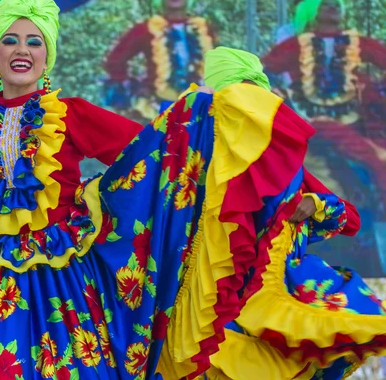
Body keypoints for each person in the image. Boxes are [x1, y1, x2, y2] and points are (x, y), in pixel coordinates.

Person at [0, 0, 383, 380]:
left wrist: (210, 121)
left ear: (48, 55)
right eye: (12, 40)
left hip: (63, 283)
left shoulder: (73, 113)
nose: (23, 50)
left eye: (35, 41)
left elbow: (154, 153)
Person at [164, 46, 385, 379]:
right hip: (214, 308)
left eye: (253, 100)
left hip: (274, 298)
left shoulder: (285, 168)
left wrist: (316, 203)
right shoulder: (193, 162)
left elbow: (350, 219)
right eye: (234, 101)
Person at [263, 0, 386, 274]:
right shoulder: (298, 44)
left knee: (378, 163)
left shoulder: (356, 42)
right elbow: (265, 66)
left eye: (336, 2)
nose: (332, 7)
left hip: (349, 124)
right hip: (310, 121)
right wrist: (276, 91)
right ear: (312, 10)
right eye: (324, 3)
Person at [103, 0, 216, 122]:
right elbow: (114, 61)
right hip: (159, 110)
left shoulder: (204, 28)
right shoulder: (146, 29)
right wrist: (134, 87)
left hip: (199, 109)